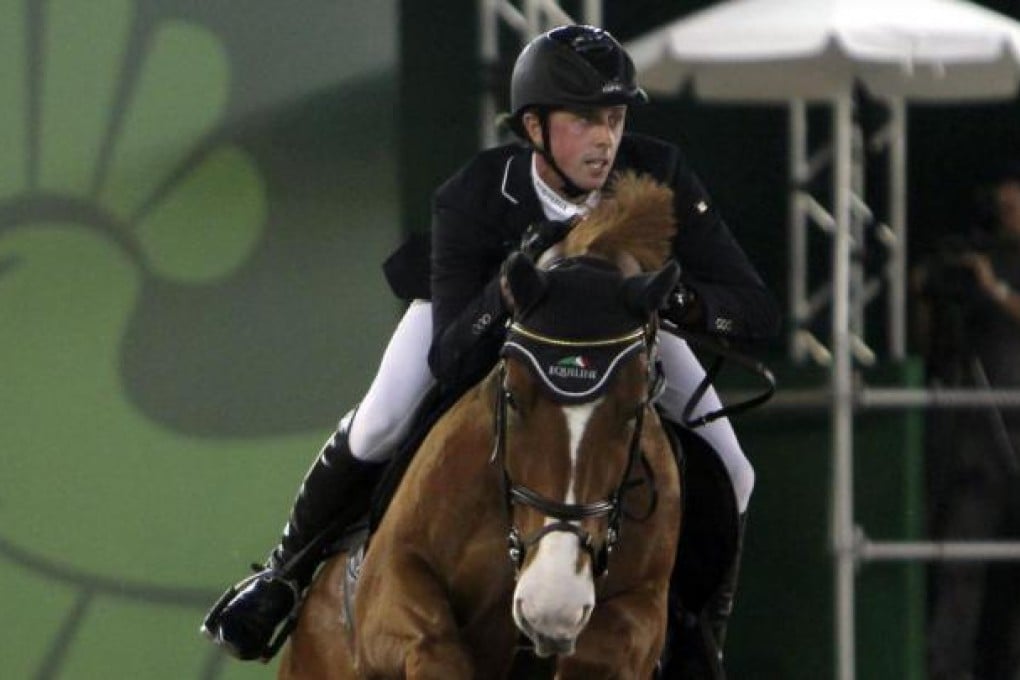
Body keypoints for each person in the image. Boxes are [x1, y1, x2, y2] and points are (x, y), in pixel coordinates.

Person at [202, 24, 780, 672]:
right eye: (585, 120)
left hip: (616, 327)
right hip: (487, 313)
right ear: (534, 126)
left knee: (736, 469)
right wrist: (506, 289)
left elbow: (755, 311)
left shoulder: (660, 173)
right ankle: (283, 576)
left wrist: (677, 301)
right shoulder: (476, 193)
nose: (605, 139)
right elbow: (450, 357)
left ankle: (698, 634)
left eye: (615, 119)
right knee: (381, 421)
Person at [917, 163, 1020, 680]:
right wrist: (928, 296)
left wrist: (995, 290)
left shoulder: (996, 274)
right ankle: (947, 669)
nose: (1007, 210)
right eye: (1002, 203)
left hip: (1015, 423)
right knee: (962, 563)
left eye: (1015, 202)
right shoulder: (978, 254)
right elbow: (928, 343)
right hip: (975, 437)